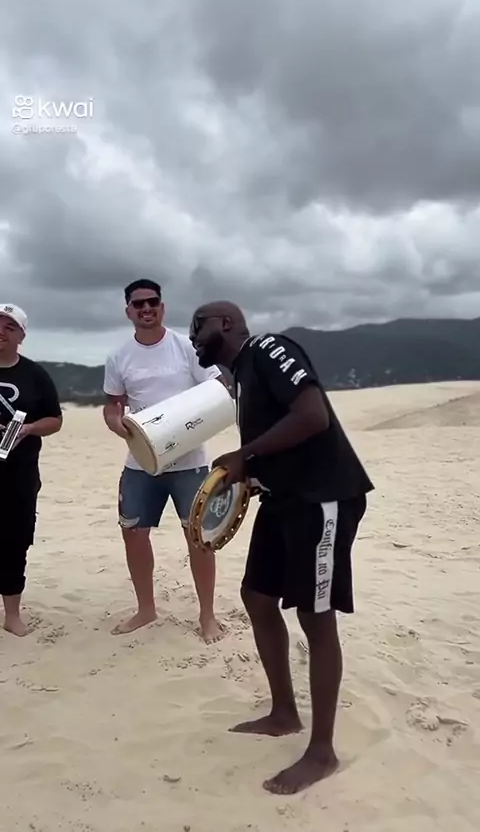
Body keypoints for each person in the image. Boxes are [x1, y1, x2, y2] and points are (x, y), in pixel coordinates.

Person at [189, 300, 374, 795]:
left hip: (322, 497)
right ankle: (284, 713)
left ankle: (322, 752)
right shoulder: (241, 378)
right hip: (282, 499)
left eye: (197, 326)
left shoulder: (268, 348)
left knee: (316, 615)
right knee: (257, 597)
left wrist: (245, 454)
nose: (192, 337)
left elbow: (312, 416)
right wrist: (251, 474)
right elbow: (280, 438)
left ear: (226, 323)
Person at [103, 279, 226, 641]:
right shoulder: (119, 357)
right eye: (138, 303)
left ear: (162, 306)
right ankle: (146, 609)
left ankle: (207, 616)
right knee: (133, 534)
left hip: (190, 462)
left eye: (152, 301)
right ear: (128, 310)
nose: (146, 308)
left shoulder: (186, 348)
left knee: (199, 538)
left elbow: (216, 390)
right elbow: (112, 405)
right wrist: (116, 424)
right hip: (142, 461)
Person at [0, 303, 63, 636]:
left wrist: (28, 429)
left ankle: (12, 615)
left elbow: (55, 420)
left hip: (19, 475)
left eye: (10, 327)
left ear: (21, 336)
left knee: (14, 542)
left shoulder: (35, 375)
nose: (1, 331)